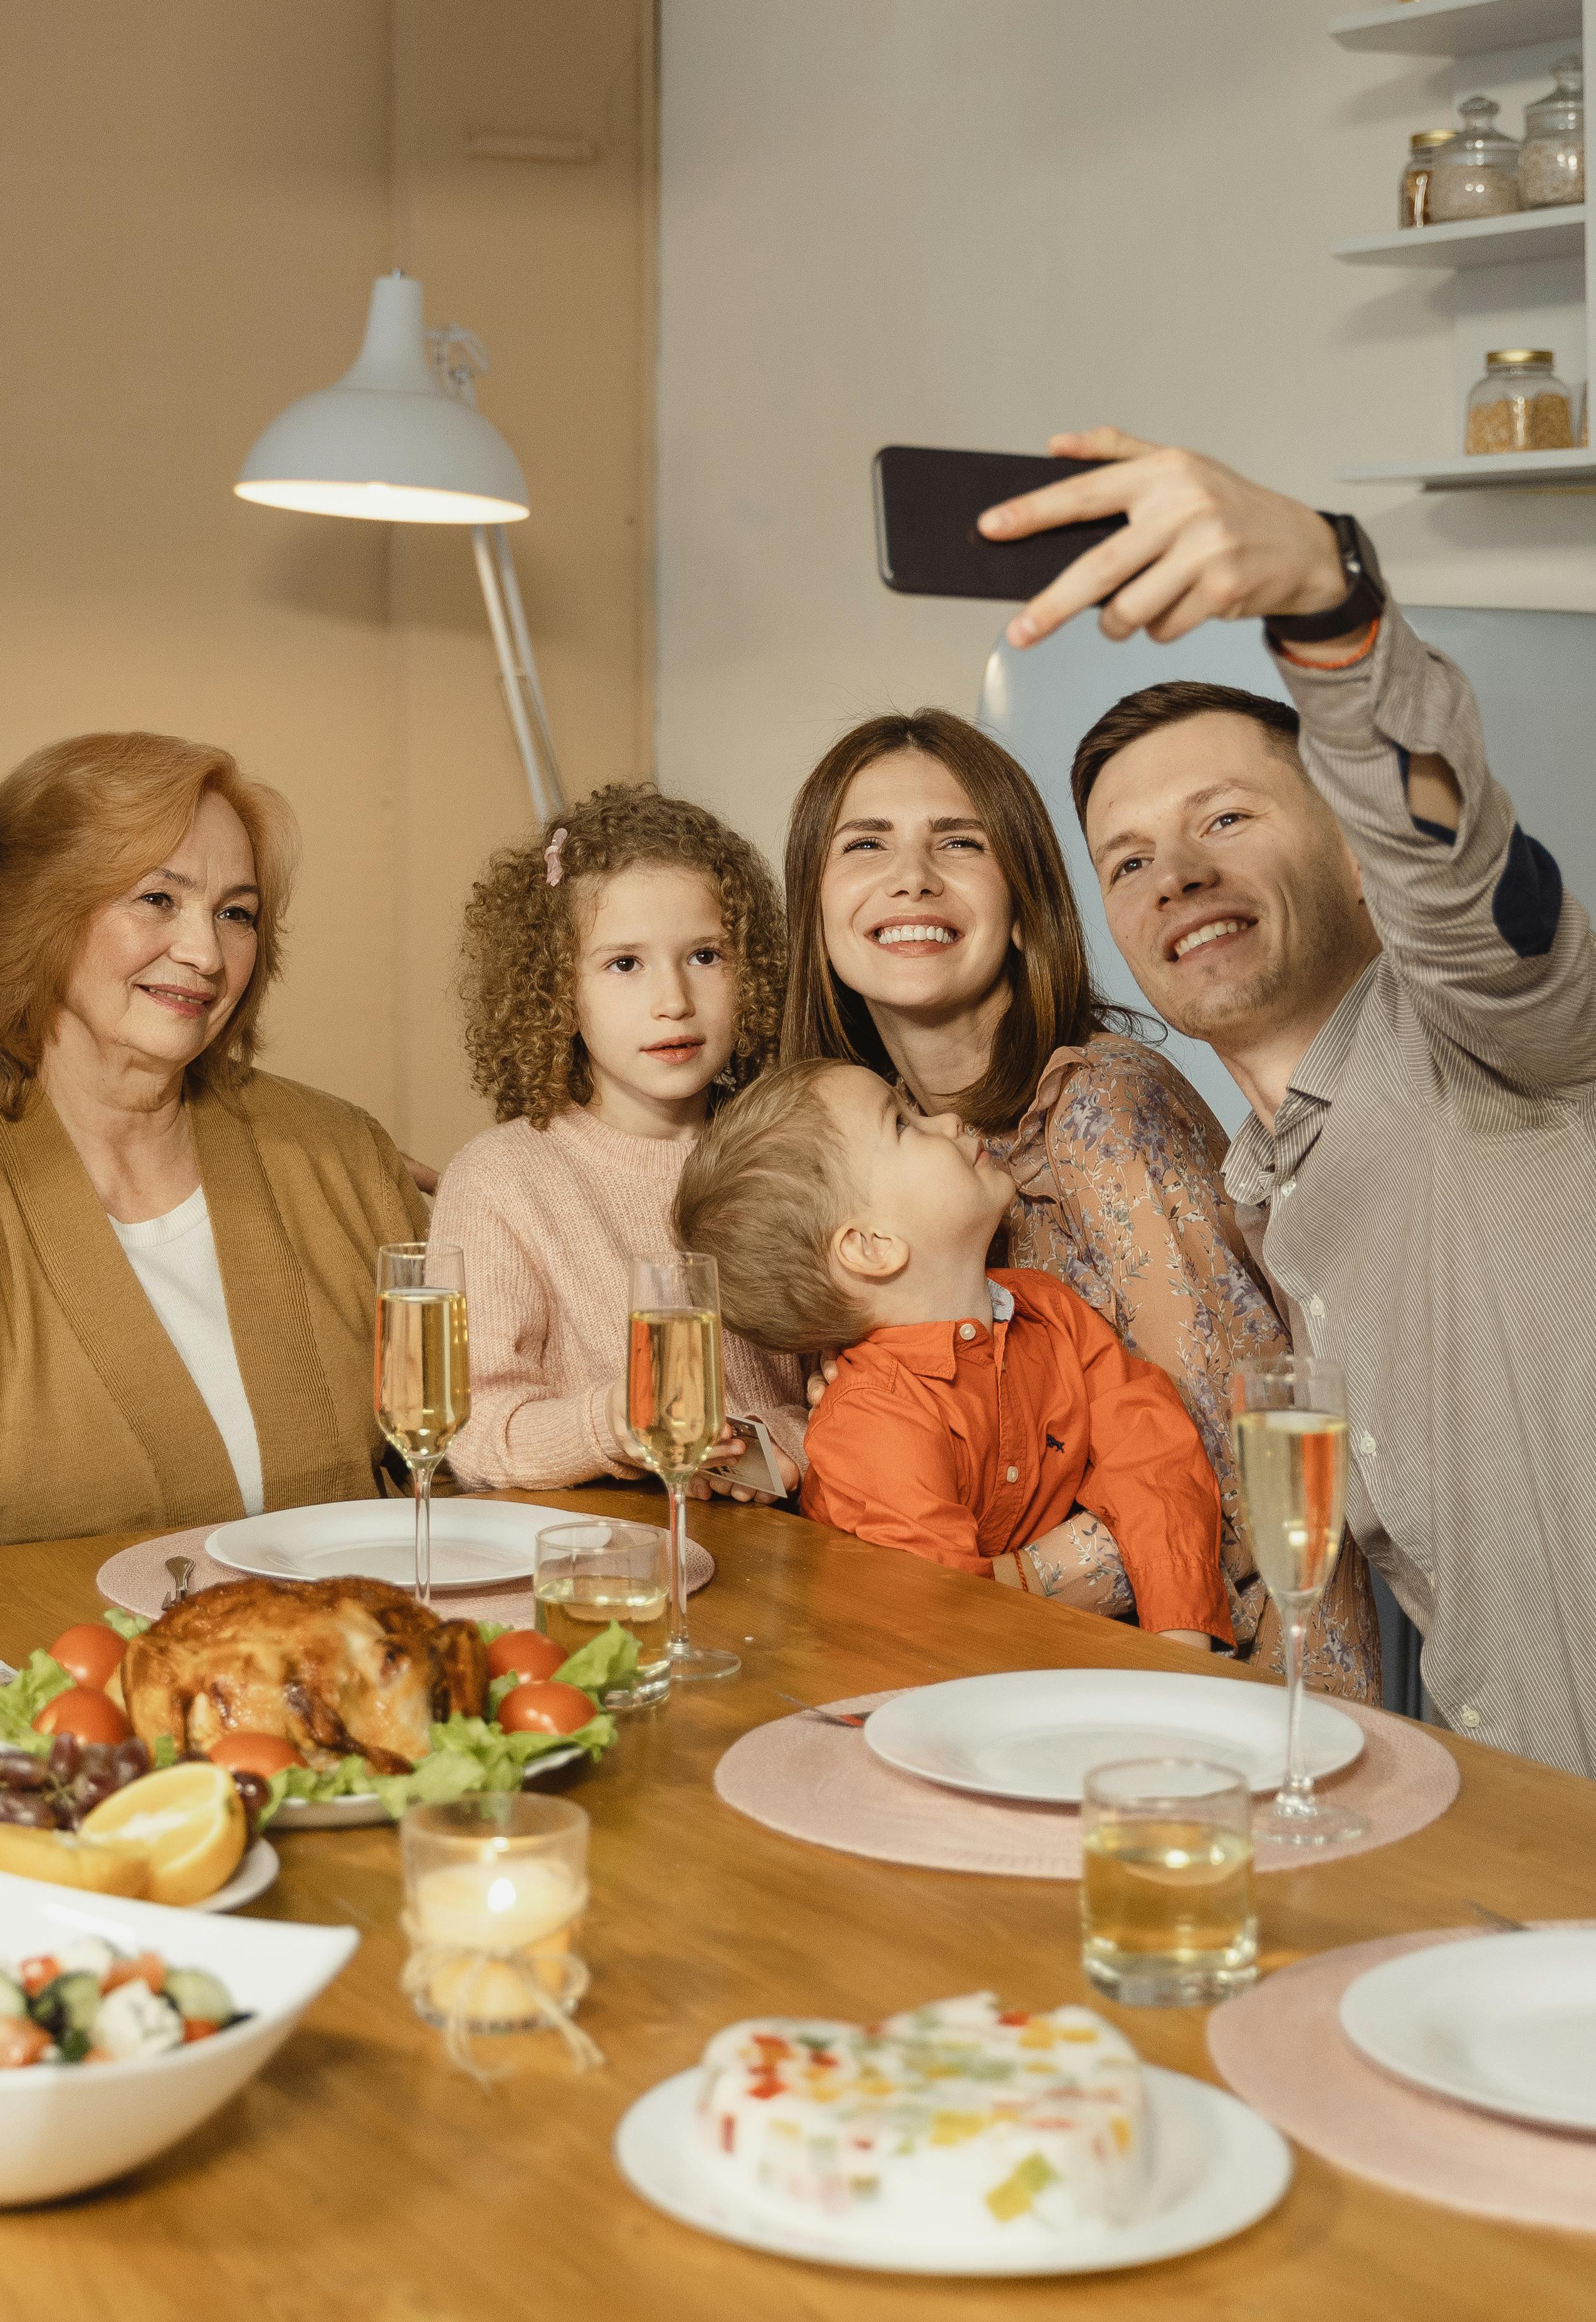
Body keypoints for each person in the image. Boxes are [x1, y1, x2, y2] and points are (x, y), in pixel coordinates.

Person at [990, 425, 1596, 1825]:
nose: (1179, 874)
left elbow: (1461, 877)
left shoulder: (1502, 1039)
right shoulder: (1264, 1192)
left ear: (1343, 846)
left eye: (1226, 816)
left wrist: (1329, 608)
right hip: (1566, 1883)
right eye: (1130, 861)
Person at [781, 710, 1375, 1691]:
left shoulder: (1101, 1105)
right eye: (866, 843)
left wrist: (988, 1580)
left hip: (1231, 1668)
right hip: (1004, 1673)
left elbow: (1237, 1476)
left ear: (1023, 907)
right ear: (814, 907)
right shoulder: (837, 1171)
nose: (913, 875)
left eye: (959, 841)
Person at [0, 731, 431, 1556]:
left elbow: (455, 1492)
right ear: (40, 915)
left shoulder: (343, 1155)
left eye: (235, 913)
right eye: (157, 899)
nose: (206, 953)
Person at [678, 1057, 1232, 1645]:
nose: (947, 1121)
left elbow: (1154, 1452)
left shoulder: (1053, 1313)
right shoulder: (873, 1426)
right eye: (903, 1124)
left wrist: (1181, 1635)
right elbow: (946, 1627)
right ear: (871, 1246)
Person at [433, 784, 812, 1501]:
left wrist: (778, 1449)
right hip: (593, 1563)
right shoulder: (501, 1179)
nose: (672, 998)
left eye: (705, 955)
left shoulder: (790, 1149)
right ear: (556, 992)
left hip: (783, 1560)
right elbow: (475, 1432)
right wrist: (609, 1425)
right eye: (624, 964)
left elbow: (858, 1386)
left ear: (751, 969)